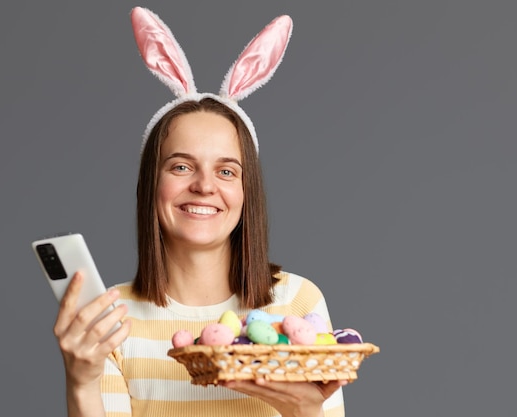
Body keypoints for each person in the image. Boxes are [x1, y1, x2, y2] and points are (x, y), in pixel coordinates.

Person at [52, 7, 347, 417]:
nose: (204, 186)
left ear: (248, 193)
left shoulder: (296, 302)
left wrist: (306, 412)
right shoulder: (111, 320)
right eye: (181, 166)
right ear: (151, 185)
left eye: (226, 170)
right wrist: (82, 383)